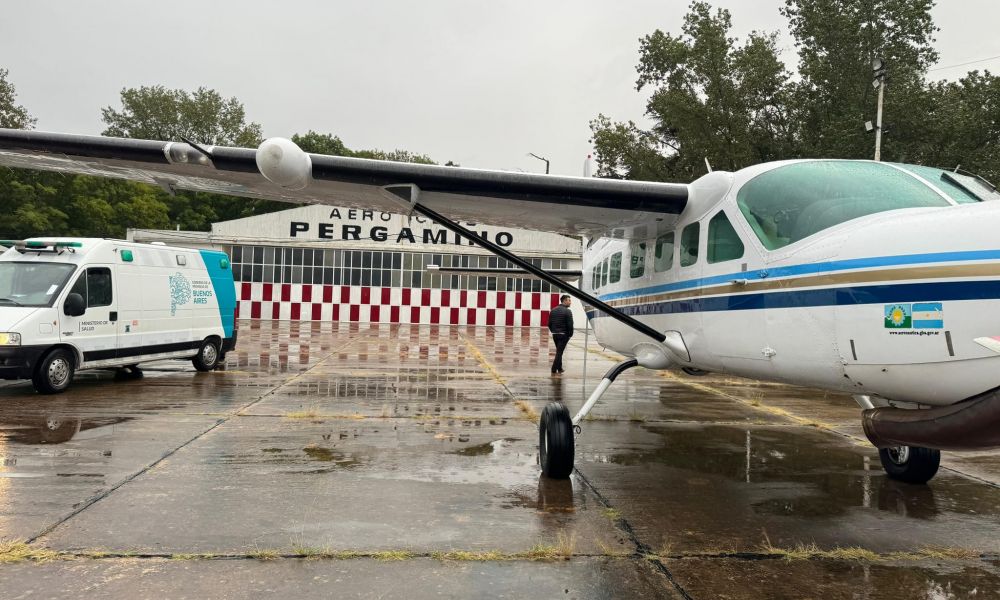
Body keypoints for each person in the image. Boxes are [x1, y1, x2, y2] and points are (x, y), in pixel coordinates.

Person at [547, 295, 573, 375]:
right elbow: (570, 325)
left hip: (555, 334)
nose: (570, 302)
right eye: (569, 300)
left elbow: (549, 324)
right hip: (563, 335)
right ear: (564, 301)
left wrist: (553, 331)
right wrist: (570, 334)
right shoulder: (568, 311)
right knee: (559, 352)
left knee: (559, 351)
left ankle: (560, 368)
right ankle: (554, 369)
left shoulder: (553, 310)